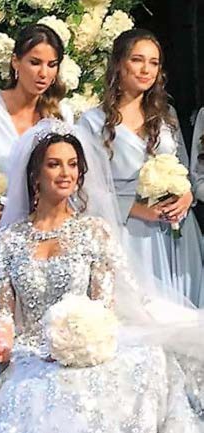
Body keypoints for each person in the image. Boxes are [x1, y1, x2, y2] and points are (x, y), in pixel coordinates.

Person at [0, 119, 204, 432]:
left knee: (142, 364)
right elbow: (3, 311)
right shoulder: (10, 238)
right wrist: (0, 341)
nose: (66, 173)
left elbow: (103, 308)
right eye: (54, 164)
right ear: (34, 175)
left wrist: (78, 344)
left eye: (72, 164)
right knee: (32, 394)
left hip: (84, 348)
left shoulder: (94, 231)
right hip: (29, 351)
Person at [77, 29, 204, 307]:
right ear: (119, 63)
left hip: (177, 232)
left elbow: (185, 169)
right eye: (137, 60)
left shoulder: (166, 116)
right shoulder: (92, 122)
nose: (146, 69)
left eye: (154, 62)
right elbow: (85, 190)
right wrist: (137, 209)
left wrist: (186, 197)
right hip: (130, 232)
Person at [0, 24, 73, 264]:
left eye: (51, 65)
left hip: (46, 236)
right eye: (35, 62)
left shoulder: (62, 115)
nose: (43, 73)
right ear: (16, 62)